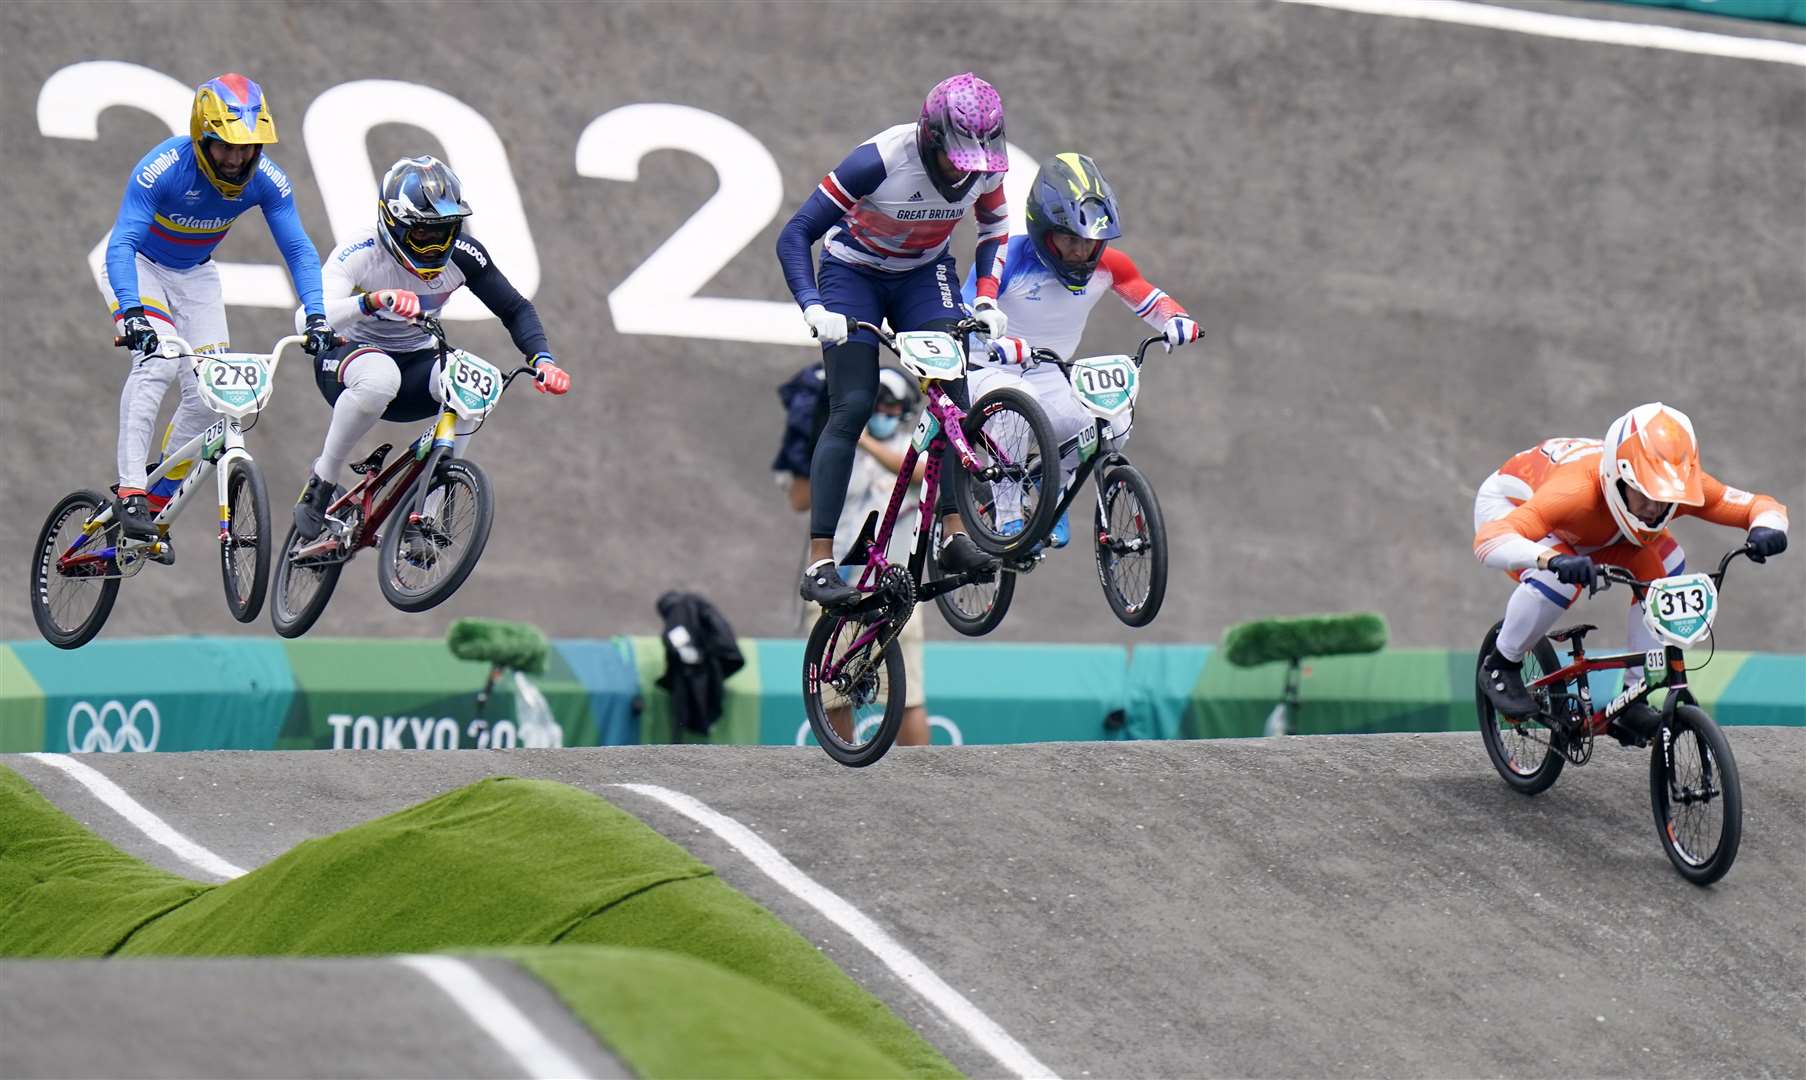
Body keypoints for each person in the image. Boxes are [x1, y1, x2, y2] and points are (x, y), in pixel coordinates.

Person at [776, 73, 1012, 610]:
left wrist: (987, 297)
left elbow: (995, 228)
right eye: (955, 157)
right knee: (852, 404)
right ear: (930, 137)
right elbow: (795, 234)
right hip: (851, 275)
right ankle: (820, 560)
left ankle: (953, 532)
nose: (964, 170)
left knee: (953, 393)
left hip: (921, 276)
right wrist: (813, 305)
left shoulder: (984, 167)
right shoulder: (879, 160)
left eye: (976, 160)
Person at [291, 155, 570, 540]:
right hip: (347, 359)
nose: (435, 244)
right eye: (423, 233)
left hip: (416, 367)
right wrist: (371, 302)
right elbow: (308, 316)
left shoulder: (464, 255)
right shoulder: (360, 252)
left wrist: (543, 359)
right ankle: (322, 479)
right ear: (394, 222)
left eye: (445, 230)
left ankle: (426, 517)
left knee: (477, 384)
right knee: (378, 377)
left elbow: (516, 307)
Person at [103, 73, 331, 541]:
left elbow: (300, 251)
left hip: (197, 277)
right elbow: (123, 242)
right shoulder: (162, 168)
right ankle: (129, 489)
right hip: (140, 267)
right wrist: (132, 312)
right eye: (224, 147)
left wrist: (317, 314)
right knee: (158, 365)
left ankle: (159, 491)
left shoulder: (266, 181)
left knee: (212, 392)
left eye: (247, 148)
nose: (236, 159)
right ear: (200, 137)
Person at [1471, 405, 1788, 733]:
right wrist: (1550, 559)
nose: (1654, 509)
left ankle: (1634, 697)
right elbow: (1489, 540)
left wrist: (1767, 527)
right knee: (1560, 580)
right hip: (1511, 508)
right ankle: (1502, 663)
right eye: (1644, 494)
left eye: (1665, 497)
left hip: (1595, 527)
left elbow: (1758, 505)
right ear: (1618, 477)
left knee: (1667, 563)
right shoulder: (1573, 490)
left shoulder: (1676, 489)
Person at [959, 153, 1202, 549]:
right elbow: (970, 308)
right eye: (1070, 239)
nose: (1080, 251)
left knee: (1109, 425)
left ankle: (1050, 486)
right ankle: (1008, 520)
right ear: (1043, 231)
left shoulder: (1109, 264)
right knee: (1019, 404)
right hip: (986, 371)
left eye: (1090, 241)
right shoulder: (1008, 256)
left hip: (1048, 373)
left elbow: (1150, 299)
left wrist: (1176, 320)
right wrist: (995, 341)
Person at [799, 368, 934, 747]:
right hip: (840, 583)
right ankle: (844, 778)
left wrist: (867, 443)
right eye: (879, 406)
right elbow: (799, 497)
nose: (885, 413)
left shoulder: (913, 444)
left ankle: (921, 781)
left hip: (894, 588)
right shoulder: (838, 449)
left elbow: (923, 474)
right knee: (834, 691)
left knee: (907, 698)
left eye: (893, 407)